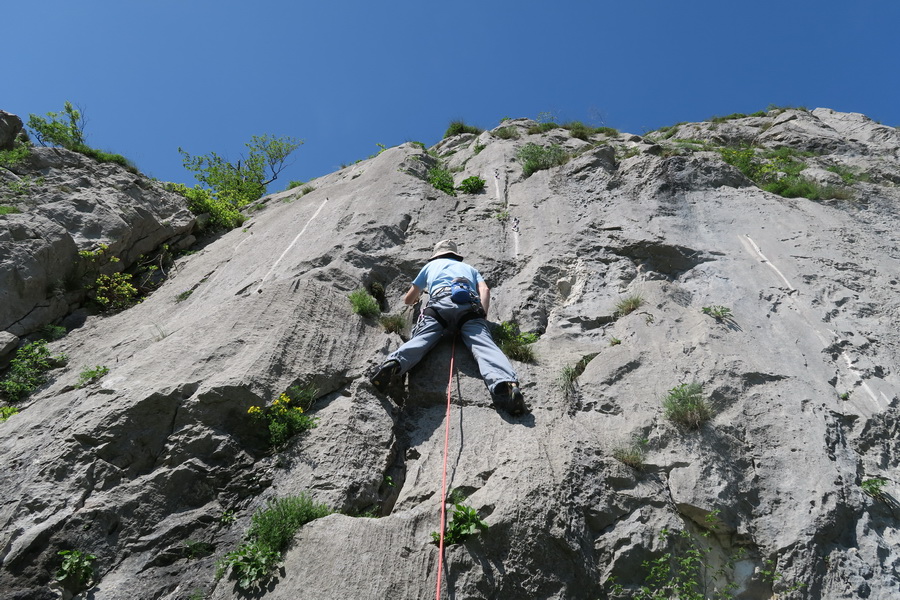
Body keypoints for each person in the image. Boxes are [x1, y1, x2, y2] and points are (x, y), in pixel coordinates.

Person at [370, 240, 528, 416]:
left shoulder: (430, 267)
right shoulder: (470, 269)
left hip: (439, 306)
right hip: (469, 307)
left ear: (437, 255)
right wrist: (482, 315)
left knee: (422, 338)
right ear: (455, 254)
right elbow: (485, 290)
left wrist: (416, 299)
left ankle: (395, 362)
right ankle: (508, 384)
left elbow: (408, 299)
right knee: (484, 346)